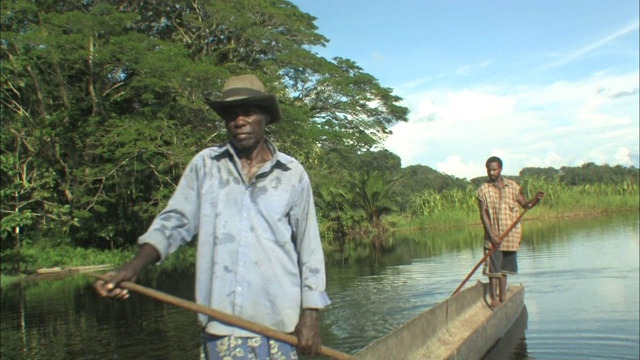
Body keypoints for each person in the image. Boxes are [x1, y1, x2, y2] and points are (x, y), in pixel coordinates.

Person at [94, 74, 331, 359]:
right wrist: (131, 268)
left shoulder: (292, 174)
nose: (238, 121)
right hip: (222, 327)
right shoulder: (206, 166)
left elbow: (309, 249)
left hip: (279, 327)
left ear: (265, 117)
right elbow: (175, 222)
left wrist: (310, 316)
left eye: (248, 112)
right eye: (231, 115)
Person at [477, 156, 544, 309]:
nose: (491, 172)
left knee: (504, 271)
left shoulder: (513, 187)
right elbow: (483, 214)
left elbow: (525, 204)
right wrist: (492, 235)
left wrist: (535, 199)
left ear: (500, 169)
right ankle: (494, 300)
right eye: (489, 170)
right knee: (493, 272)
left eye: (494, 169)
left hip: (510, 237)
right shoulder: (483, 190)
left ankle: (503, 297)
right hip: (493, 238)